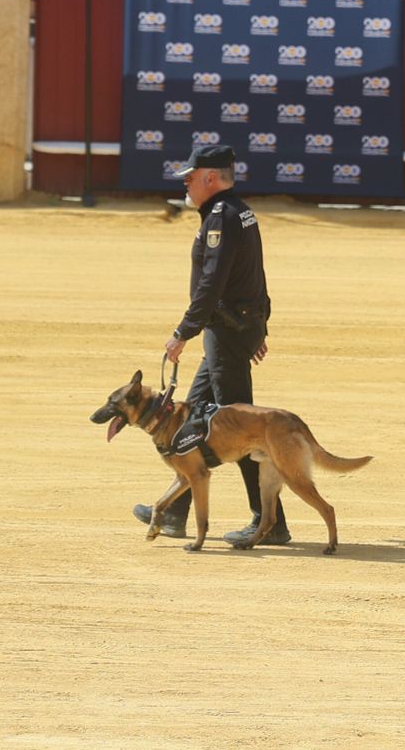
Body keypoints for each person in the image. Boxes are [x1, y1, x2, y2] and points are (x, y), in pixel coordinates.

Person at [133, 145, 286, 546]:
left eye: (190, 177)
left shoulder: (222, 217)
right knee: (191, 424)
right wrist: (259, 327)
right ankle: (173, 511)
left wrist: (184, 331)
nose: (185, 183)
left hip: (226, 333)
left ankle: (270, 522)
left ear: (210, 178)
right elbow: (254, 273)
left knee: (243, 427)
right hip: (234, 330)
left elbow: (212, 283)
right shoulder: (239, 211)